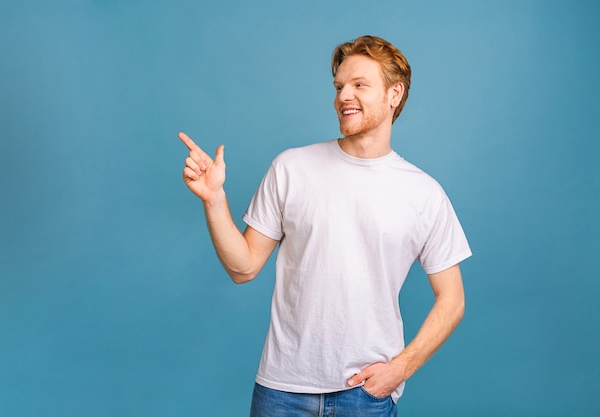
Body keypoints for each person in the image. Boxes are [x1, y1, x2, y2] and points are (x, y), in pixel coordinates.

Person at [178, 35, 471, 416]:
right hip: (281, 393)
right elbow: (243, 267)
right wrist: (215, 201)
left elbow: (453, 300)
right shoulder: (291, 168)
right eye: (339, 86)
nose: (343, 96)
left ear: (394, 94)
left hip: (366, 397)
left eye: (360, 85)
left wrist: (400, 369)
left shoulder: (424, 193)